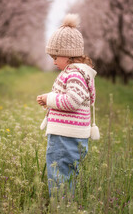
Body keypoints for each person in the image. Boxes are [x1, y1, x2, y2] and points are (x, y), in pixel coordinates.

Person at [36, 14, 98, 197]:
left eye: (55, 56)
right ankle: (67, 204)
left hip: (65, 136)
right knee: (68, 175)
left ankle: (61, 207)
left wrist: (50, 99)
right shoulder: (76, 73)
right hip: (70, 135)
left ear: (69, 55)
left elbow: (72, 101)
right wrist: (49, 101)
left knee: (59, 175)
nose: (53, 61)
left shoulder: (74, 74)